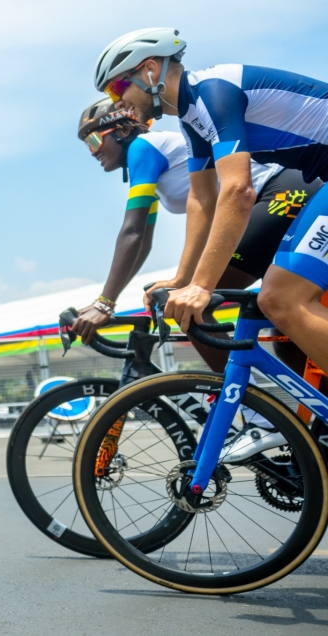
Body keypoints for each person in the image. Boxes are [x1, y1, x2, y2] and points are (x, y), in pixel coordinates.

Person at [94, 29, 328, 457]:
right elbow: (203, 199)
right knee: (278, 304)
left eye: (116, 86)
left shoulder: (214, 93)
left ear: (149, 70)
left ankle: (276, 417)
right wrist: (184, 278)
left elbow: (237, 192)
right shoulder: (191, 117)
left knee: (281, 298)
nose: (115, 102)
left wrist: (202, 286)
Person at [69, 97, 317, 373]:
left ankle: (244, 403)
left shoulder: (143, 147)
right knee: (286, 337)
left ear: (123, 131)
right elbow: (142, 242)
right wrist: (108, 301)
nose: (92, 152)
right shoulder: (151, 165)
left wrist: (104, 304)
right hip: (280, 197)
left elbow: (133, 231)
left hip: (282, 192)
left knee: (181, 300)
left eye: (93, 141)